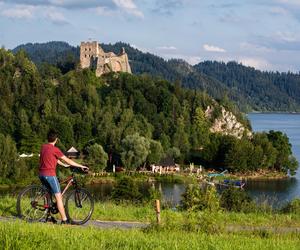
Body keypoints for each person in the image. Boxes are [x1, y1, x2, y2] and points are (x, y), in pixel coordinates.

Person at [39, 129, 88, 224]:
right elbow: (68, 160)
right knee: (58, 197)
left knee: (48, 194)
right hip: (50, 175)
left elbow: (53, 158)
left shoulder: (43, 147)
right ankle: (65, 220)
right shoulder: (55, 149)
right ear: (56, 139)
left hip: (41, 174)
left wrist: (63, 165)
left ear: (48, 138)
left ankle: (48, 216)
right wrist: (81, 166)